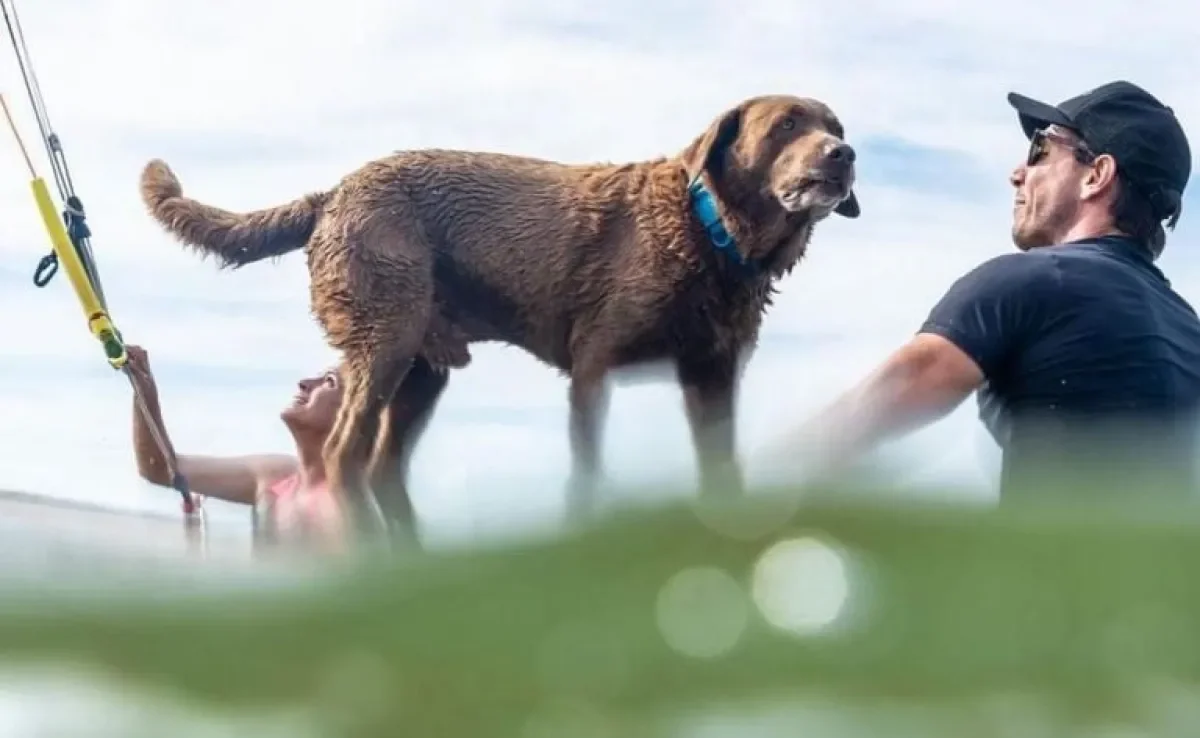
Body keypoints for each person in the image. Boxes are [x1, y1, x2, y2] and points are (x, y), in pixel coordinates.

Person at [769, 80, 1200, 502]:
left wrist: (746, 489)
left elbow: (876, 409)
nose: (1017, 174)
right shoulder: (1189, 329)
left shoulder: (1031, 281)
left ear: (1097, 176)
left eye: (1040, 150)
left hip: (1053, 571)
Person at [126, 344, 350, 550]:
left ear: (354, 414)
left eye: (329, 381)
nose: (304, 383)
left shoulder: (359, 499)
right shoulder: (276, 477)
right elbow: (160, 469)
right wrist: (144, 389)